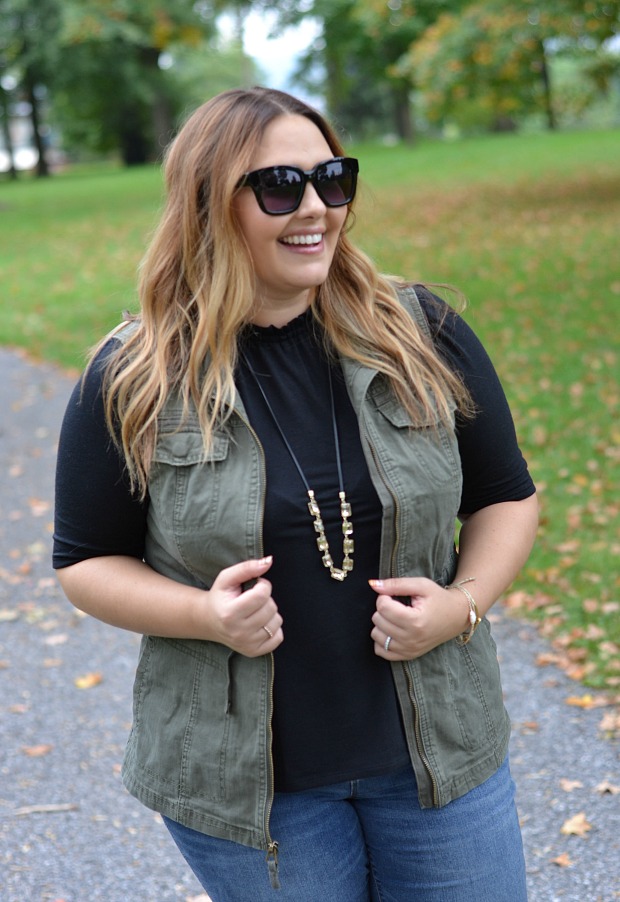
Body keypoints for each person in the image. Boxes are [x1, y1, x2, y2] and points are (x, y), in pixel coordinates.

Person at [53, 86, 538, 901]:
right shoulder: (135, 377)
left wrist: (462, 606)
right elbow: (85, 562)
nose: (316, 207)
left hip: (439, 760)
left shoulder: (420, 332)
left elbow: (506, 497)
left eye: (332, 178)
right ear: (209, 206)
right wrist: (205, 616)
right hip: (252, 794)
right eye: (280, 186)